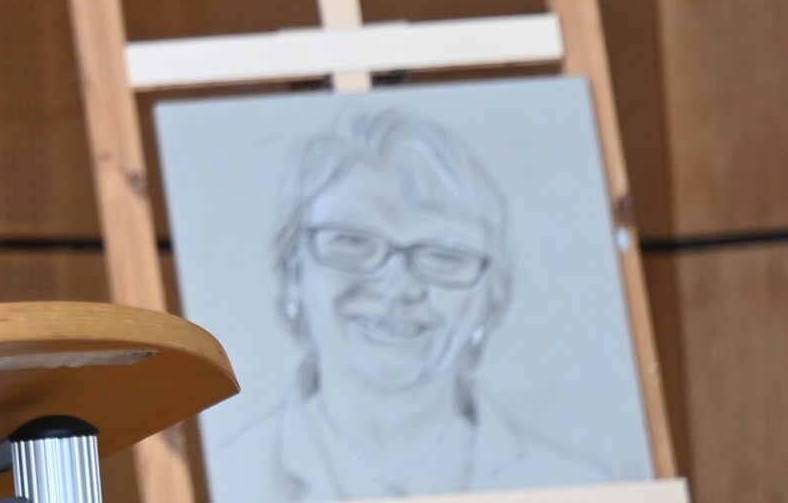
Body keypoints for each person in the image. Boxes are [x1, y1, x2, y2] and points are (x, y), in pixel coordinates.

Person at [217, 107, 618, 501]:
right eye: (353, 242)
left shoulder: (579, 487)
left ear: (490, 301)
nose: (397, 286)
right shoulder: (218, 477)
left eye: (443, 256)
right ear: (292, 275)